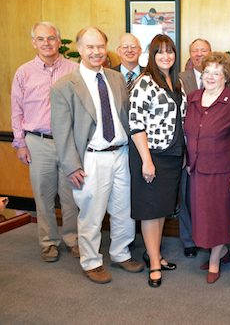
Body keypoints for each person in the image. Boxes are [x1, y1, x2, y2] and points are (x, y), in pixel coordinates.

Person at [50, 26, 143, 284]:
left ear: (106, 47)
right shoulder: (64, 87)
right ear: (79, 49)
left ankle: (120, 253)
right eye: (90, 47)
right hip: (91, 158)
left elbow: (126, 118)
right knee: (92, 213)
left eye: (100, 46)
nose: (96, 51)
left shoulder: (115, 78)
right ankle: (91, 261)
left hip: (121, 154)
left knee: (124, 209)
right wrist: (71, 166)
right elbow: (62, 132)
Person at [11, 22, 79, 263]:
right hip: (38, 142)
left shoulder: (75, 69)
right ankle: (49, 242)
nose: (47, 43)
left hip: (68, 142)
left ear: (59, 42)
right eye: (41, 39)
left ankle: (73, 239)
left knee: (71, 196)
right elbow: (16, 110)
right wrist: (20, 143)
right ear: (34, 43)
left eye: (51, 38)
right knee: (43, 196)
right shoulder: (24, 72)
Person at [184, 52, 230, 284]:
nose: (210, 77)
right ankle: (222, 251)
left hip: (222, 170)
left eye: (217, 73)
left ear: (226, 77)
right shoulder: (192, 98)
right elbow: (188, 132)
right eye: (207, 72)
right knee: (203, 216)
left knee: (219, 216)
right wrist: (189, 161)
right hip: (198, 168)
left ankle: (214, 260)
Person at [129, 34, 186, 288]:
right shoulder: (144, 82)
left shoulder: (176, 82)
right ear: (151, 56)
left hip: (172, 155)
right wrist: (146, 161)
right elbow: (136, 123)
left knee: (162, 208)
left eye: (170, 51)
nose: (166, 56)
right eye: (160, 52)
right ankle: (153, 262)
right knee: (151, 211)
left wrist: (182, 152)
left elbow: (181, 121)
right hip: (151, 155)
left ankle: (156, 253)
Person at [176, 38, 212, 259]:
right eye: (195, 51)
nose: (199, 54)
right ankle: (188, 240)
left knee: (207, 197)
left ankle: (207, 237)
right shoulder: (180, 78)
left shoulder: (220, 76)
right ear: (190, 54)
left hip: (211, 148)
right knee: (186, 195)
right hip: (187, 146)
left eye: (203, 50)